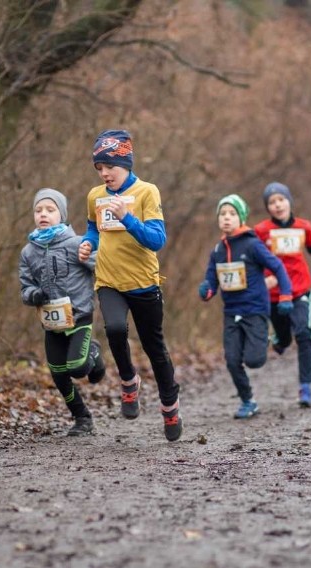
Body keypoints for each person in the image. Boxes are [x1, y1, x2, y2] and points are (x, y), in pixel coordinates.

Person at [78, 129, 182, 441]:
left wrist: (128, 218)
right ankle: (128, 382)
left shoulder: (147, 192)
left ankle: (170, 407)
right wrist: (87, 243)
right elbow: (93, 228)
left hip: (143, 283)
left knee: (155, 349)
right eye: (99, 168)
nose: (104, 173)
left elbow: (157, 240)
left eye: (109, 166)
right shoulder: (95, 196)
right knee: (114, 330)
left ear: (126, 163)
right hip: (108, 280)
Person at [19, 188, 106, 436]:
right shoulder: (28, 252)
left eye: (50, 209)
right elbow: (25, 289)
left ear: (62, 214)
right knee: (58, 374)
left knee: (78, 367)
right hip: (52, 322)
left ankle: (94, 352)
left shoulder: (77, 243)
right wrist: (34, 294)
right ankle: (82, 418)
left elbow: (102, 266)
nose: (43, 214)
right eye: (38, 210)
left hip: (79, 316)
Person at [198, 195, 293, 417]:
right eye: (223, 214)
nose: (227, 219)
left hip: (255, 310)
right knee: (232, 360)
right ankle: (247, 400)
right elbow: (211, 280)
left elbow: (278, 267)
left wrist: (286, 295)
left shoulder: (252, 245)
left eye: (232, 214)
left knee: (255, 360)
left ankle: (265, 337)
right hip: (231, 312)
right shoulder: (217, 250)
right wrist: (207, 290)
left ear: (240, 218)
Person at [254, 182, 311, 407]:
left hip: (299, 288)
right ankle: (281, 339)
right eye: (272, 202)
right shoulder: (261, 230)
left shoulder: (303, 226)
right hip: (274, 291)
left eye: (281, 200)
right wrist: (262, 279)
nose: (277, 205)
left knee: (304, 333)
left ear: (289, 201)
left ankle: (305, 387)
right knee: (285, 337)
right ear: (268, 208)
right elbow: (253, 258)